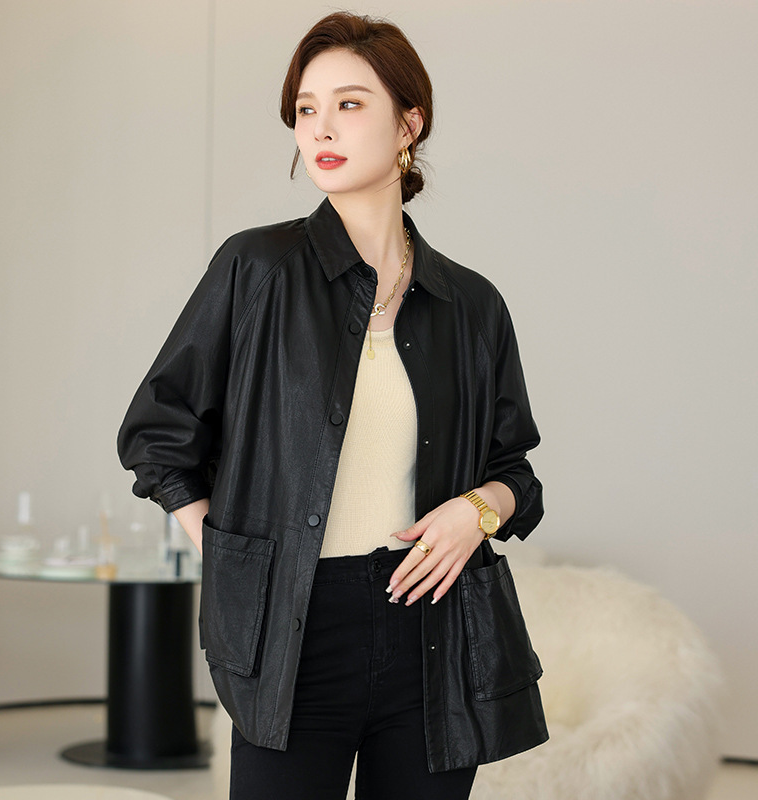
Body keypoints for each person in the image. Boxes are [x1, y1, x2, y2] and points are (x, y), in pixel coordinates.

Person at [117, 10, 548, 800]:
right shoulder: (257, 269)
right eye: (306, 108)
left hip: (433, 637)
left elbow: (515, 470)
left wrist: (476, 513)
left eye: (349, 104)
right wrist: (234, 558)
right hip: (293, 634)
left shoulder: (471, 305)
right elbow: (158, 431)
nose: (321, 127)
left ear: (408, 124)